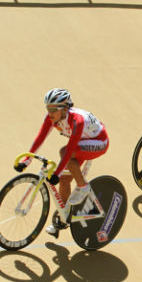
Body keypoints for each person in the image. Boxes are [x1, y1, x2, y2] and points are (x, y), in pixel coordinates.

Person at [14, 88, 109, 238]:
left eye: (53, 109)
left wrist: (56, 172)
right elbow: (40, 138)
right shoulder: (51, 118)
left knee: (64, 153)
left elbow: (70, 149)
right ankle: (63, 218)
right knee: (64, 180)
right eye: (47, 108)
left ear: (64, 109)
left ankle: (83, 186)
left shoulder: (77, 120)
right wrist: (27, 160)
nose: (49, 112)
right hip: (82, 145)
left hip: (99, 142)